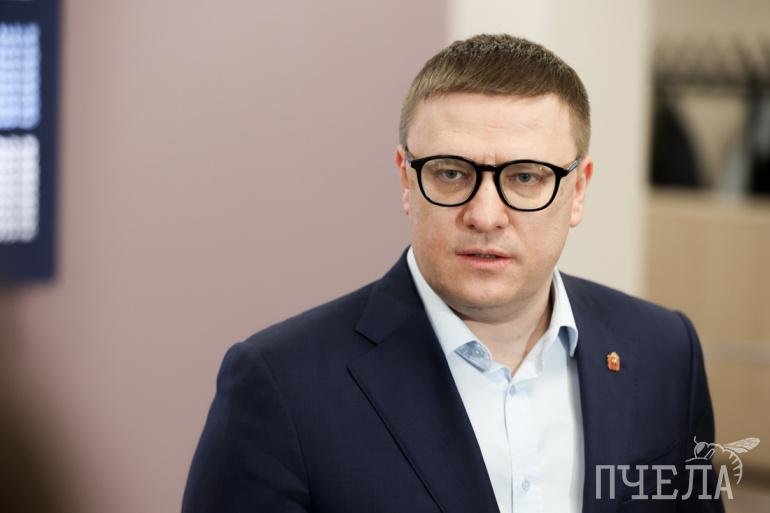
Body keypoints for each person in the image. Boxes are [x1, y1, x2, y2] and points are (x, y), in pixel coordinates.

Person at [182, 34, 723, 513]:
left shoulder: (665, 353)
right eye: (450, 173)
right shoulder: (281, 385)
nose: (485, 216)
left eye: (526, 177)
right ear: (406, 180)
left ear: (578, 190)